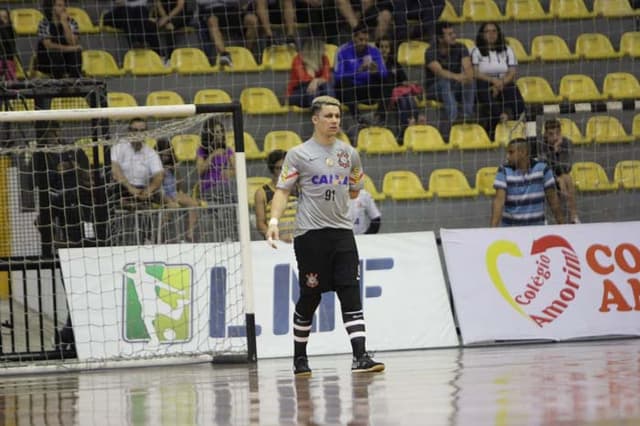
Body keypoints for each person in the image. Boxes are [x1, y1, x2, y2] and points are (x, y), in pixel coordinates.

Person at [266, 95, 385, 376]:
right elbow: (283, 191)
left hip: (343, 233)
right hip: (310, 236)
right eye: (328, 116)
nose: (334, 120)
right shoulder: (298, 154)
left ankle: (360, 356)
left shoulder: (349, 153)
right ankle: (299, 359)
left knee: (350, 292)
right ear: (315, 119)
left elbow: (356, 189)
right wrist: (273, 220)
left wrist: (336, 195)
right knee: (311, 296)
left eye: (337, 116)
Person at [33, 121, 93, 257]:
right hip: (52, 196)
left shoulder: (73, 149)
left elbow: (88, 175)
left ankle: (74, 244)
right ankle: (58, 242)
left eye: (52, 132)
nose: (50, 136)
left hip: (75, 194)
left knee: (74, 211)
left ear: (58, 132)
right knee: (41, 220)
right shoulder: (39, 154)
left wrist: (73, 166)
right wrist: (55, 171)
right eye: (46, 134)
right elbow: (35, 181)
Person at [491, 138, 564, 227]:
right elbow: (499, 201)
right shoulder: (503, 170)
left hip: (537, 229)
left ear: (523, 152)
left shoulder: (543, 169)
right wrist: (492, 231)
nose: (507, 156)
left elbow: (553, 199)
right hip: (511, 229)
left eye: (511, 152)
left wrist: (562, 226)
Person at [471, 22, 525, 139]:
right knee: (482, 89)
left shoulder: (507, 50)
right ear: (482, 35)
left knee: (514, 91)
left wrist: (500, 82)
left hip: (503, 81)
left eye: (494, 31)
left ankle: (512, 121)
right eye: (487, 31)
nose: (491, 34)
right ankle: (500, 115)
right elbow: (475, 72)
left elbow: (512, 72)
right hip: (484, 80)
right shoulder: (476, 51)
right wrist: (493, 81)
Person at [424, 21, 475, 140]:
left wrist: (467, 76)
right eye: (449, 34)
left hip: (454, 85)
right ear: (440, 39)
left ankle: (466, 115)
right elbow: (440, 72)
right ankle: (453, 119)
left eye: (453, 33)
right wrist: (458, 77)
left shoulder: (461, 47)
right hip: (434, 89)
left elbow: (468, 69)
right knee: (444, 82)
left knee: (470, 81)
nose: (454, 36)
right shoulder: (430, 51)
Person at [334, 24, 390, 124]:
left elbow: (385, 73)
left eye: (366, 40)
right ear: (353, 37)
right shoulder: (342, 51)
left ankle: (380, 116)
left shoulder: (374, 51)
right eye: (361, 39)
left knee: (389, 80)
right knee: (344, 82)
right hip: (349, 92)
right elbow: (338, 77)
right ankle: (358, 118)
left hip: (367, 90)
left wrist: (376, 72)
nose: (363, 43)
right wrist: (358, 70)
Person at [377, 36, 426, 138]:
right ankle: (409, 125)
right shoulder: (374, 63)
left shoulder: (394, 63)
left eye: (386, 47)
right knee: (403, 98)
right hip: (382, 94)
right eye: (381, 47)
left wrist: (411, 83)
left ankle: (409, 124)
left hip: (396, 93)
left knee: (407, 98)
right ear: (378, 49)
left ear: (390, 49)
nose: (384, 49)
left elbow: (403, 79)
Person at [110, 118, 164, 205]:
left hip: (142, 190)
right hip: (122, 188)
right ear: (129, 132)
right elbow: (115, 169)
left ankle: (136, 204)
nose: (138, 134)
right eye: (135, 130)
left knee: (160, 194)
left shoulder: (151, 152)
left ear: (146, 133)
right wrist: (130, 188)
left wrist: (148, 190)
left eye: (142, 131)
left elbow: (159, 175)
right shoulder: (119, 147)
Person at [156, 137, 200, 242]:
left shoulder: (172, 165)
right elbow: (155, 184)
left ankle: (189, 234)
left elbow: (179, 185)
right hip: (161, 192)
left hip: (174, 192)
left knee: (193, 204)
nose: (165, 158)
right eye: (163, 155)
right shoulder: (154, 165)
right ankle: (159, 235)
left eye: (167, 155)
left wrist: (175, 171)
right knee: (173, 205)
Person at [196, 0, 259, 67]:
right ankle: (224, 55)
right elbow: (201, 2)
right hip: (211, 10)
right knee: (212, 21)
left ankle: (247, 51)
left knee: (252, 20)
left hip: (232, 9)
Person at [541, 119, 579, 224]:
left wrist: (558, 151)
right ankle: (563, 220)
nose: (555, 137)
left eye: (557, 133)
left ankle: (574, 217)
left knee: (566, 178)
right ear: (545, 134)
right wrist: (553, 151)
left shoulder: (566, 143)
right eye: (551, 134)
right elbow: (544, 167)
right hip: (545, 177)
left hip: (562, 176)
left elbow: (567, 167)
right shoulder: (541, 145)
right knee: (562, 180)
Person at [254, 149, 297, 242]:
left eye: (286, 168)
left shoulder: (299, 188)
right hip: (277, 240)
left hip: (300, 239)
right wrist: (278, 239)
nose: (283, 172)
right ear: (272, 169)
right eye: (279, 168)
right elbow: (260, 224)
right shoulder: (262, 192)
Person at [36, 0, 82, 78]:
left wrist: (64, 23)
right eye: (59, 5)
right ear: (52, 8)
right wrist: (70, 49)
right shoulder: (44, 23)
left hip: (67, 59)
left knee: (76, 53)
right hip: (48, 60)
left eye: (64, 6)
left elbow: (73, 43)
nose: (63, 8)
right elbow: (49, 45)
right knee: (56, 53)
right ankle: (59, 83)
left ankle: (75, 81)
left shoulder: (72, 22)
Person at [286, 39, 332, 108]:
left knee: (327, 87)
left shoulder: (324, 59)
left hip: (317, 90)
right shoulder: (298, 59)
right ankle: (317, 114)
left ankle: (330, 110)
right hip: (298, 92)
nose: (325, 49)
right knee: (314, 91)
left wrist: (316, 81)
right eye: (322, 47)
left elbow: (326, 77)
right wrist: (311, 72)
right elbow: (303, 79)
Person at [0, 8, 17, 82]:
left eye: (5, 18)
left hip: (7, 61)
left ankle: (14, 91)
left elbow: (10, 53)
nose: (1, 21)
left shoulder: (9, 31)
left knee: (11, 79)